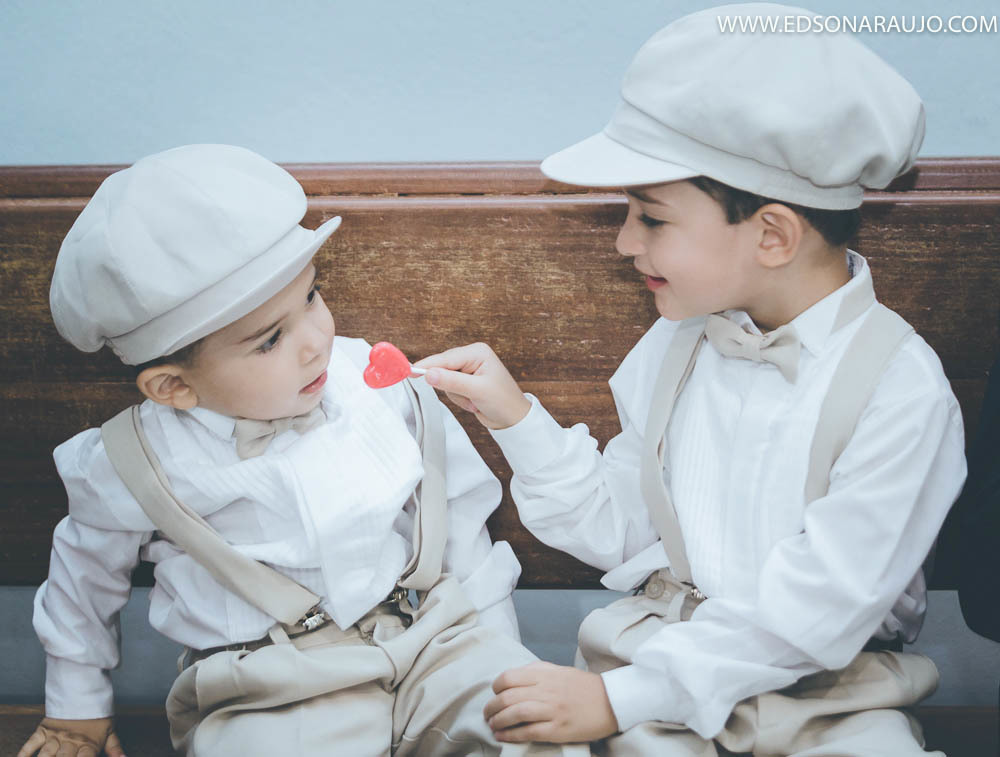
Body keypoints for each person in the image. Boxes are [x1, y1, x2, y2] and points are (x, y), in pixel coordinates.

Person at [415, 5, 967, 754]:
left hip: (833, 693)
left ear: (772, 234)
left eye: (651, 218)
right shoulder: (676, 344)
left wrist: (619, 697)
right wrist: (518, 420)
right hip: (656, 660)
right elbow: (624, 530)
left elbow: (823, 608)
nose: (624, 241)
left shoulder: (901, 391)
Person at [20, 144, 588, 757]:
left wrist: (499, 650)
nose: (316, 341)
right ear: (174, 387)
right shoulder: (131, 462)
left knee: (530, 738)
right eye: (270, 340)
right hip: (270, 682)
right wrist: (76, 711)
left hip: (435, 637)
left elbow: (459, 509)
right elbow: (82, 584)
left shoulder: (378, 385)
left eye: (311, 297)